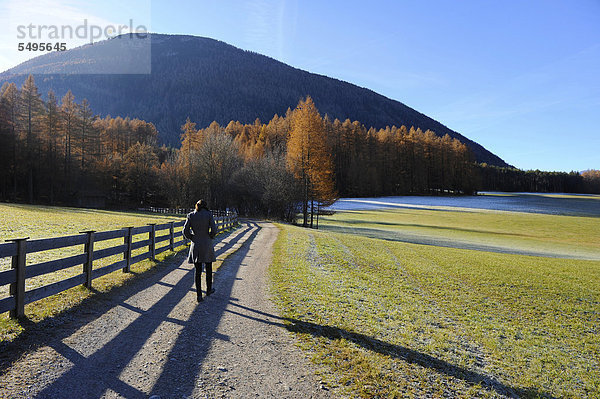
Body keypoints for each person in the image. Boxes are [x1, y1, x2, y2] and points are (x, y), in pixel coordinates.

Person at [183, 199, 217, 302]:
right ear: (206, 206)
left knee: (197, 271)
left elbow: (185, 231)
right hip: (207, 244)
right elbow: (214, 229)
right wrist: (210, 236)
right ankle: (209, 289)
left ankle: (199, 295)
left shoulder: (191, 215)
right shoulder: (209, 214)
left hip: (196, 245)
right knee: (209, 269)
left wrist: (192, 238)